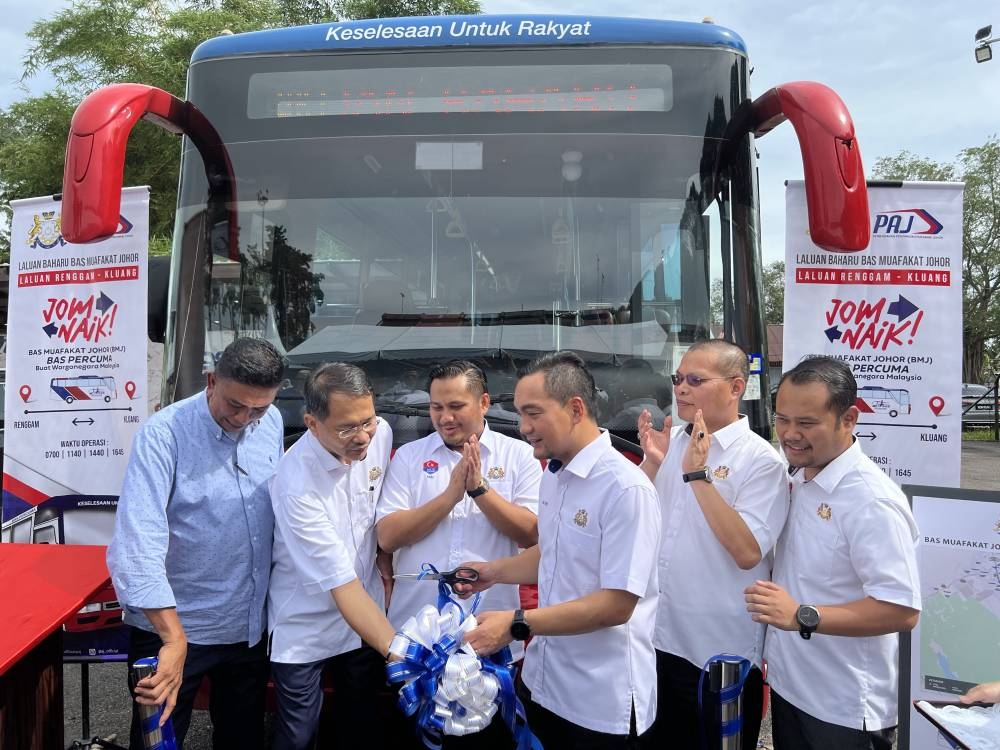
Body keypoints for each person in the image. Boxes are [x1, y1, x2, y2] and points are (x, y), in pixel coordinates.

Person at [460, 351, 661, 749]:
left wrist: (517, 623)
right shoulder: (555, 474)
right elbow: (554, 552)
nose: (523, 428)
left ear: (575, 408)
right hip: (544, 682)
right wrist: (494, 572)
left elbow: (616, 605)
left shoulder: (626, 489)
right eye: (519, 414)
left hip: (600, 704)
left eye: (533, 414)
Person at [107, 337, 285, 749]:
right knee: (158, 742)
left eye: (258, 407)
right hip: (173, 627)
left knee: (242, 739)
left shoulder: (271, 421)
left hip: (246, 629)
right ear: (211, 381)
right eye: (235, 405)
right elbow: (139, 543)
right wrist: (172, 638)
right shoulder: (163, 435)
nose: (244, 418)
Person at [744, 356, 921, 750]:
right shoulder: (800, 474)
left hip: (844, 710)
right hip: (794, 689)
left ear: (849, 419)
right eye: (782, 419)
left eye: (806, 423)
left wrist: (802, 615)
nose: (790, 434)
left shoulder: (870, 501)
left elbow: (902, 609)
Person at [376, 359, 541, 748]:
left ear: (483, 402)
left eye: (456, 406)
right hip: (415, 634)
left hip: (488, 631)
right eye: (436, 407)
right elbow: (387, 536)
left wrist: (479, 488)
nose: (445, 418)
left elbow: (532, 533)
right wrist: (451, 495)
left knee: (487, 738)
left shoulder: (519, 456)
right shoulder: (410, 457)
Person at [637, 339, 789, 749]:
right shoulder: (677, 443)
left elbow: (746, 552)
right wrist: (652, 463)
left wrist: (699, 476)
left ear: (736, 387)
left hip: (718, 657)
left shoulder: (761, 461)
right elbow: (645, 519)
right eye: (678, 379)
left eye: (695, 380)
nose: (681, 389)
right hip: (657, 640)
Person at [268, 362, 399, 750]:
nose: (362, 437)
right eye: (346, 428)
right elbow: (339, 582)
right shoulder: (295, 483)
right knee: (297, 734)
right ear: (311, 422)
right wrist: (401, 651)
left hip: (365, 615)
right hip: (306, 621)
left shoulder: (382, 435)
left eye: (368, 421)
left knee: (359, 723)